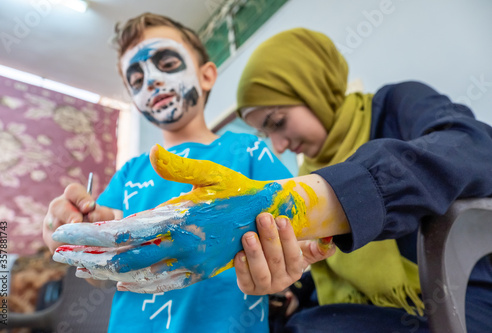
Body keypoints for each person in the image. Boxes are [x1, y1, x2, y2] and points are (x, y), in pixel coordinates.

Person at [42, 13, 295, 333]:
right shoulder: (129, 174)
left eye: (167, 63)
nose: (151, 81)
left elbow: (297, 226)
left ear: (206, 75)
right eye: (136, 80)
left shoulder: (248, 151)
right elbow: (98, 272)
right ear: (134, 101)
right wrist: (73, 230)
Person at [233, 28, 492, 332]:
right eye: (266, 135)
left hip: (459, 302)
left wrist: (346, 193)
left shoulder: (397, 104)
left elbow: (474, 146)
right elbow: (335, 276)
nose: (278, 145)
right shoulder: (308, 178)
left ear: (313, 87)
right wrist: (289, 289)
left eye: (277, 122)